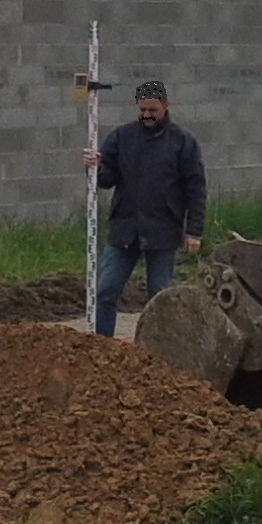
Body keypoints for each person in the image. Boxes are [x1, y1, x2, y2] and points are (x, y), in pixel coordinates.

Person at [84, 80, 205, 338]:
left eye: (153, 109)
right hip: (124, 230)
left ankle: (157, 352)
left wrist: (194, 231)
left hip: (163, 230)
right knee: (105, 291)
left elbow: (196, 188)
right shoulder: (122, 137)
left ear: (166, 106)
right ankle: (100, 347)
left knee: (159, 296)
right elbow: (106, 180)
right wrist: (94, 167)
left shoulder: (183, 143)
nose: (147, 115)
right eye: (143, 110)